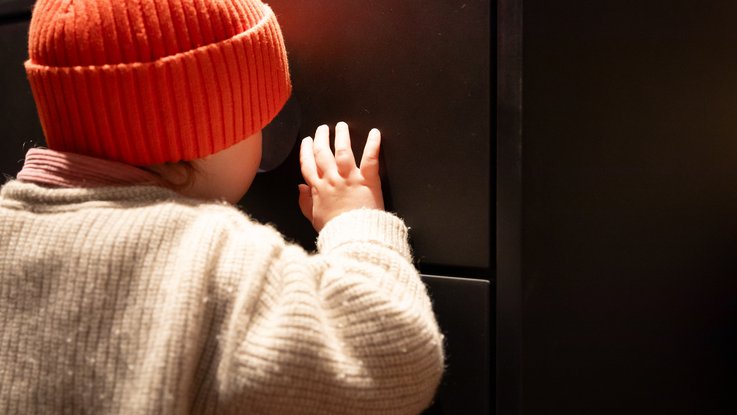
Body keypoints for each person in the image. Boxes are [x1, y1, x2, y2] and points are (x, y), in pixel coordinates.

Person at [0, 0, 444, 414]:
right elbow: (394, 356)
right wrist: (355, 222)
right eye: (259, 119)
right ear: (210, 127)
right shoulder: (212, 260)